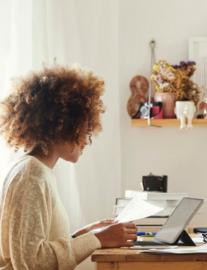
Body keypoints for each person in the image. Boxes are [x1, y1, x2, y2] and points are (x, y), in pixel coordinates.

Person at [0, 66, 137, 269]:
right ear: (62, 124)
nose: (87, 138)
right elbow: (32, 263)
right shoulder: (31, 175)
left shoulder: (36, 169)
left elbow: (36, 247)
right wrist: (96, 239)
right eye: (85, 127)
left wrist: (85, 234)